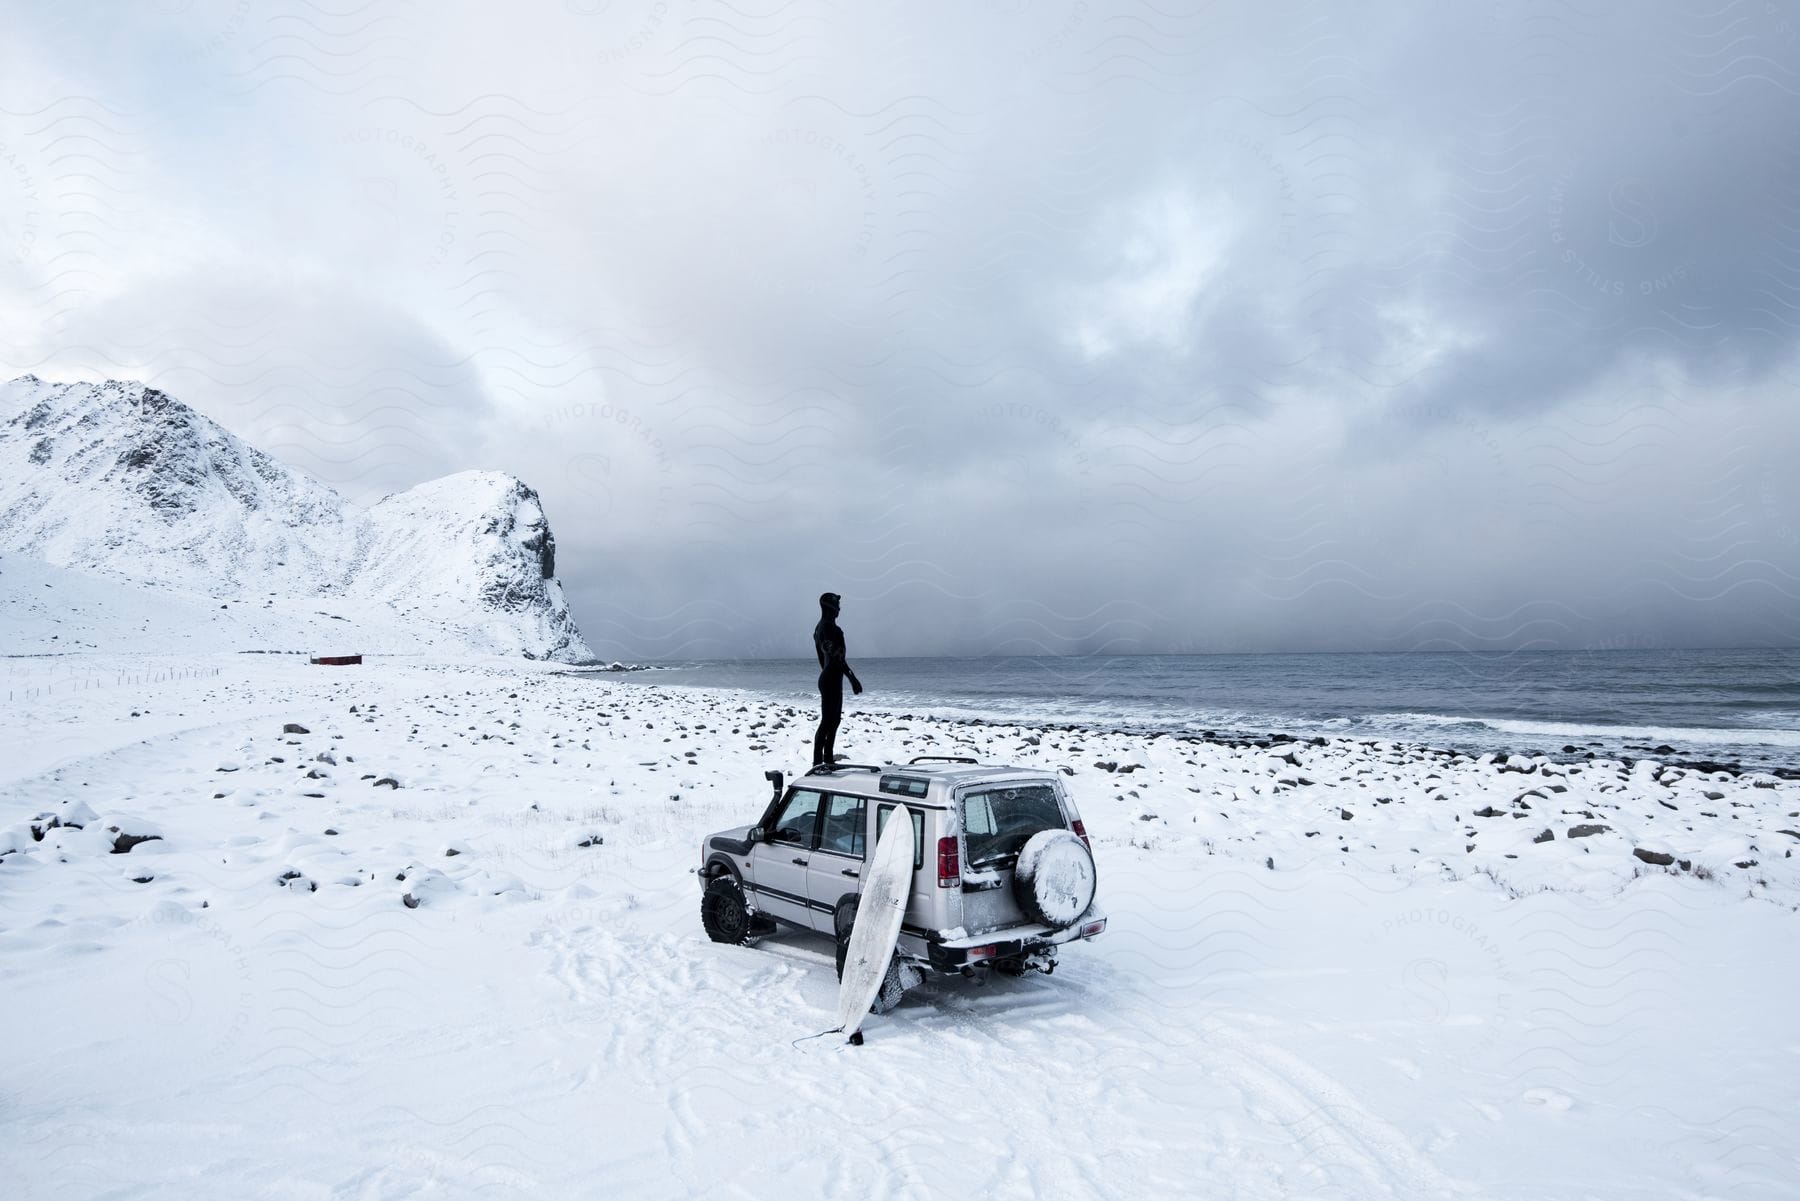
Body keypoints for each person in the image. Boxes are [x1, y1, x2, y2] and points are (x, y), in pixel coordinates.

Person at [812, 592, 863, 766]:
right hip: (831, 679)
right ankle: (818, 763)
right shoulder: (828, 627)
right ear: (830, 606)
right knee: (828, 721)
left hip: (830, 677)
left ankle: (827, 759)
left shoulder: (820, 628)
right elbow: (835, 655)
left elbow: (822, 658)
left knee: (834, 721)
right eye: (837, 605)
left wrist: (829, 673)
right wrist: (851, 677)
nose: (840, 609)